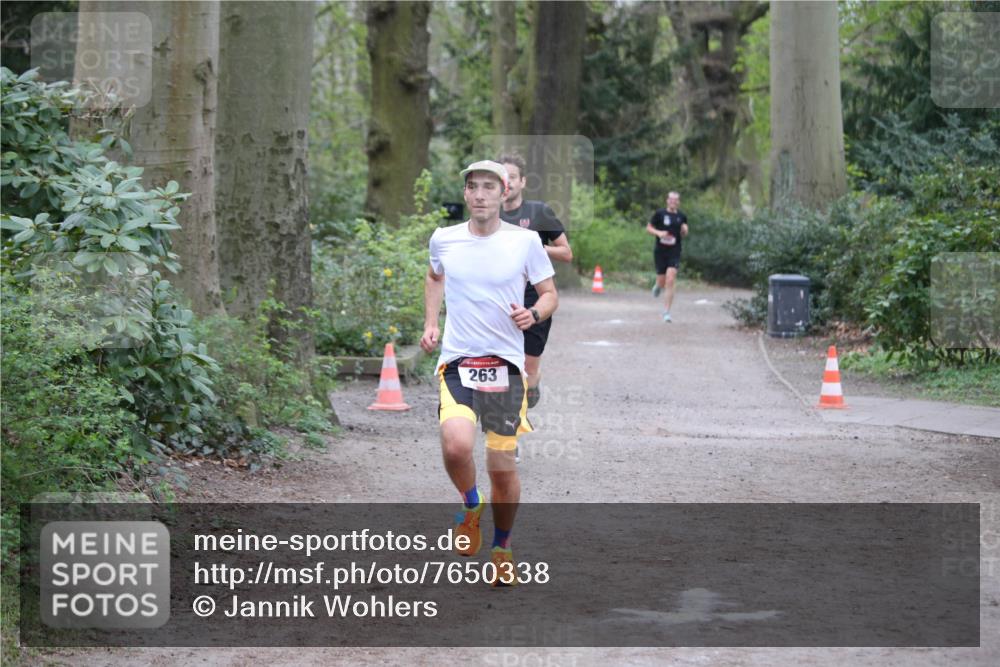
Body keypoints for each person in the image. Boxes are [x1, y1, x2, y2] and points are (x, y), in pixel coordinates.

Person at [421, 160, 557, 587]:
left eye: (489, 187)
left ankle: (502, 548)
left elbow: (549, 294)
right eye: (473, 187)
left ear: (504, 193)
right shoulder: (444, 238)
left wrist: (534, 314)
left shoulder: (525, 241)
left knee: (502, 469)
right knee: (456, 446)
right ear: (465, 194)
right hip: (459, 361)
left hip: (506, 368)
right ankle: (470, 503)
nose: (480, 194)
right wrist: (431, 323)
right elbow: (434, 276)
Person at [497, 153, 573, 413]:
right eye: (503, 177)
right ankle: (508, 422)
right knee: (503, 365)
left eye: (513, 177)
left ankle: (533, 381)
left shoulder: (538, 212)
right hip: (502, 297)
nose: (508, 182)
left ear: (523, 182)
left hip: (535, 297)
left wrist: (536, 248)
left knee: (528, 369)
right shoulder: (489, 215)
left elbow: (566, 253)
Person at [646, 191, 689, 322]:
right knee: (662, 280)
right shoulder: (659, 214)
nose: (673, 202)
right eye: (671, 199)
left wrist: (685, 230)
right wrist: (659, 233)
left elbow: (684, 232)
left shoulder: (681, 216)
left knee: (671, 278)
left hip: (674, 251)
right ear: (667, 200)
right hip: (660, 251)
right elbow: (648, 228)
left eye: (675, 200)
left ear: (678, 202)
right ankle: (658, 286)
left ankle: (666, 312)